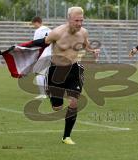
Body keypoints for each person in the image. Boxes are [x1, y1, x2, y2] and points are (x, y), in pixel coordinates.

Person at [43, 7, 99, 144]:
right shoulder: (56, 32)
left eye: (81, 20)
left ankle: (66, 136)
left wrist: (93, 51)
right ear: (69, 19)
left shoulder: (83, 32)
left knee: (74, 102)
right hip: (56, 70)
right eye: (76, 20)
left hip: (74, 68)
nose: (79, 24)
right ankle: (50, 91)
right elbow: (40, 44)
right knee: (57, 107)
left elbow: (86, 45)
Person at [32, 16, 51, 99]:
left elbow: (35, 44)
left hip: (43, 54)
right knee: (46, 74)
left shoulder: (38, 31)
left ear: (36, 22)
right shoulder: (50, 30)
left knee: (39, 74)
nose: (34, 26)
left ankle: (43, 94)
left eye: (34, 24)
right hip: (51, 54)